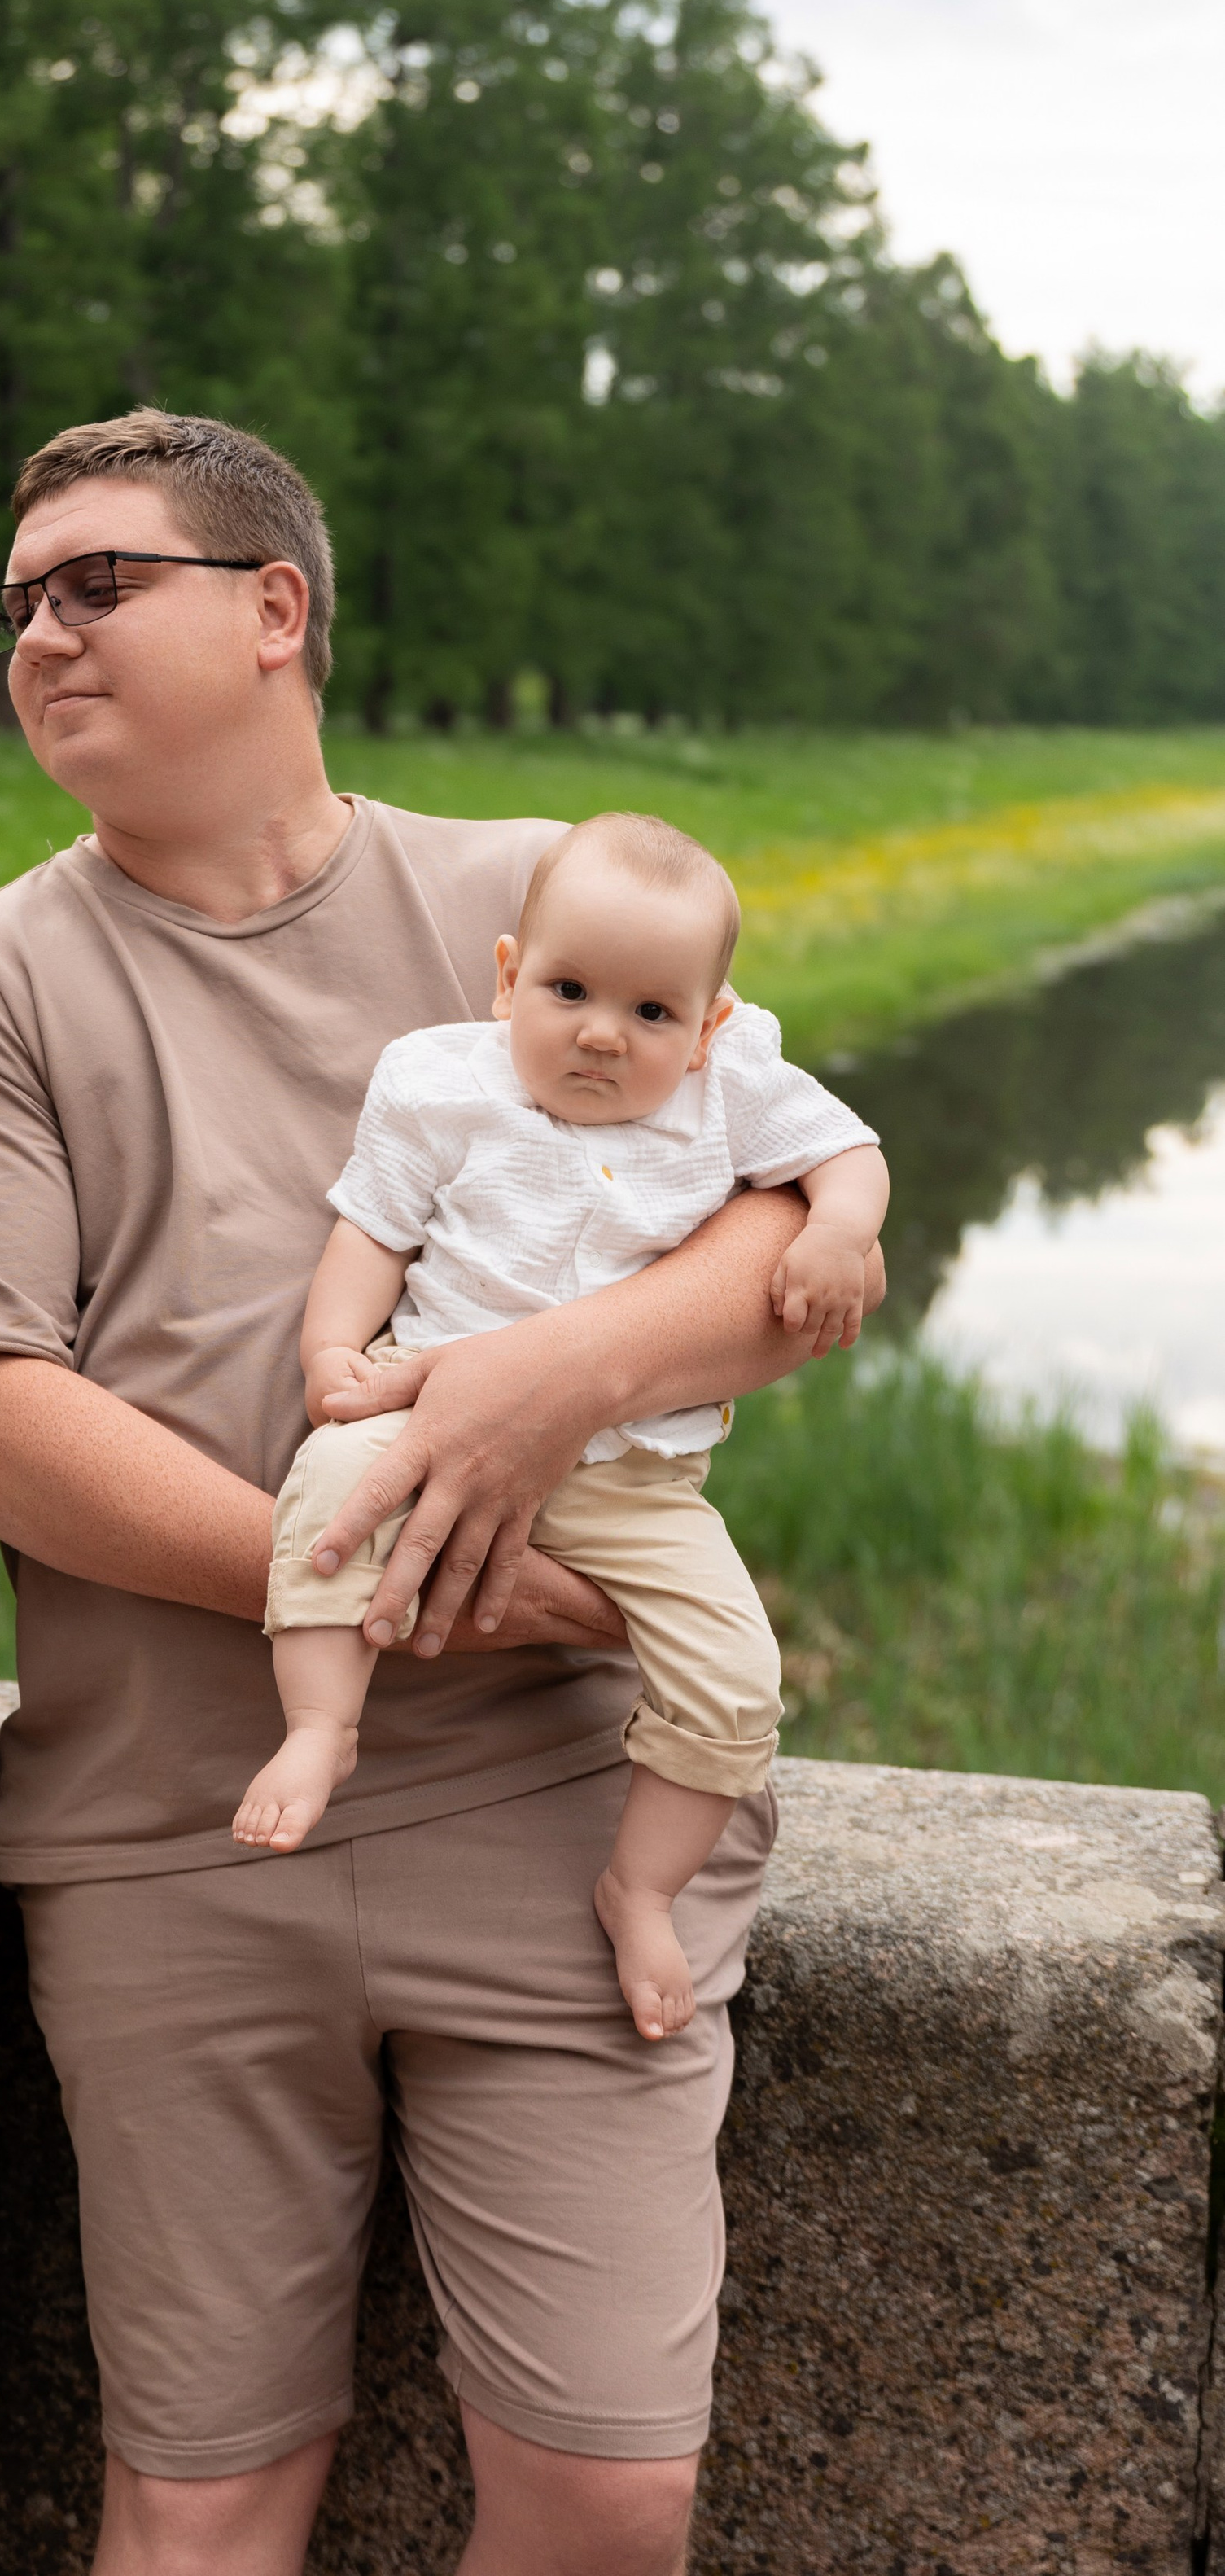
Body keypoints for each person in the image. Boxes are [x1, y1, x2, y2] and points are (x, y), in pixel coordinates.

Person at [0, 408, 885, 2576]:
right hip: (174, 1848)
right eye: (17, 598)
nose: (39, 631)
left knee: (610, 2501)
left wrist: (539, 1386)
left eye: (96, 582)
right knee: (201, 2508)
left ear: (274, 610)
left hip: (557, 1822)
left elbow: (789, 1232)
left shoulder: (528, 900)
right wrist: (365, 1568)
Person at [234, 808, 888, 2044]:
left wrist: (838, 1228)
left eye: (652, 1015)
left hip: (637, 1476)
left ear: (709, 1028)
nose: (602, 1034)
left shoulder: (733, 1088)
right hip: (430, 1407)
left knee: (738, 1676)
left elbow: (848, 1151)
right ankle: (321, 1726)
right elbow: (371, 1228)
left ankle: (639, 1886)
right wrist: (334, 1353)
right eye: (570, 991)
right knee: (330, 1494)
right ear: (506, 979)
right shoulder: (439, 1080)